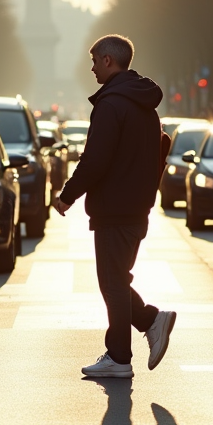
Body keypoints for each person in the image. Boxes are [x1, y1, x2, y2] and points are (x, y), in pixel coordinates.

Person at [54, 35, 176, 379]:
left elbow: (96, 160)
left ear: (108, 60)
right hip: (136, 205)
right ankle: (144, 330)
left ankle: (122, 353)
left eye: (94, 61)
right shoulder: (144, 105)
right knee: (115, 280)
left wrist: (67, 195)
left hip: (114, 206)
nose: (91, 68)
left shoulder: (111, 104)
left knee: (112, 281)